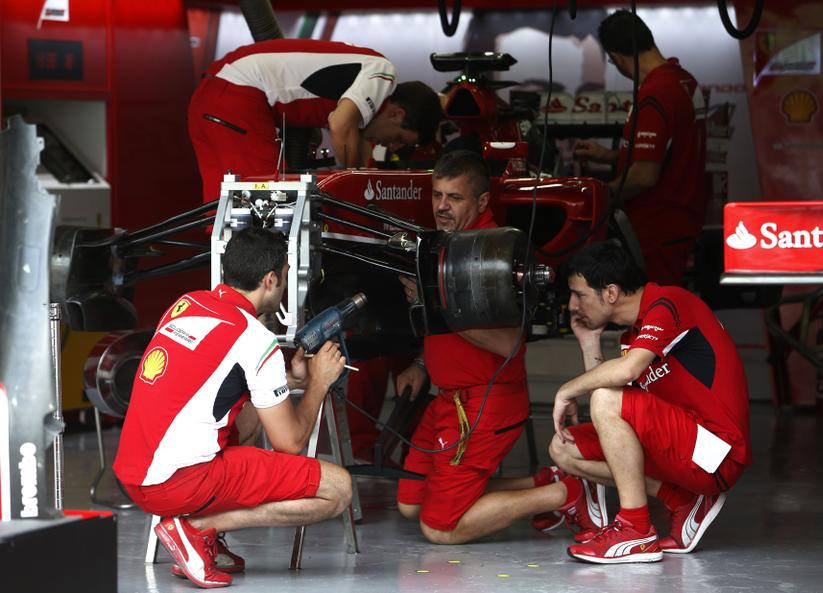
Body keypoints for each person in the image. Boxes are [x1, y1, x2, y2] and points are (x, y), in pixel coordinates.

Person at [113, 227, 351, 588]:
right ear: (270, 279)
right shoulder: (255, 339)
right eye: (285, 276)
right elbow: (289, 442)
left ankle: (196, 535)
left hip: (135, 473)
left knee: (246, 424)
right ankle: (193, 529)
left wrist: (291, 381)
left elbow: (212, 391)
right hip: (177, 484)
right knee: (339, 489)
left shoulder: (186, 303)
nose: (285, 284)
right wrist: (319, 382)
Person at [393, 149, 606, 544]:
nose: (441, 206)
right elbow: (435, 324)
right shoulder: (442, 243)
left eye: (454, 198)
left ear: (482, 202)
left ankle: (567, 494)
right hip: (446, 399)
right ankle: (544, 481)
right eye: (437, 195)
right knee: (411, 502)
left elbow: (510, 342)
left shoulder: (498, 254)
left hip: (484, 403)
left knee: (440, 528)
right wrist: (422, 363)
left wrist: (436, 306)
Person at [550, 241, 751, 564]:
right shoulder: (634, 334)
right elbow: (616, 414)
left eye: (580, 294)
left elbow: (619, 381)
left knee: (606, 397)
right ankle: (682, 500)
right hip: (685, 449)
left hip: (718, 453)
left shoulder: (667, 302)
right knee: (564, 448)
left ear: (611, 293)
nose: (572, 305)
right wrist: (590, 343)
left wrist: (567, 390)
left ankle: (635, 530)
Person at [188, 38, 444, 203]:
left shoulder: (362, 91)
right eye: (398, 139)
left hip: (211, 96)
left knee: (225, 211)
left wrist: (363, 170)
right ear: (397, 114)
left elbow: (351, 131)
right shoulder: (383, 72)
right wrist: (359, 187)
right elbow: (341, 125)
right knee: (266, 204)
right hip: (238, 95)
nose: (392, 146)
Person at [574, 10, 706, 285]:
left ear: (617, 56)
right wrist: (610, 155)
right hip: (679, 221)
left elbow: (645, 175)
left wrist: (599, 196)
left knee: (654, 316)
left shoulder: (656, 93)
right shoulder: (684, 81)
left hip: (657, 228)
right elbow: (669, 149)